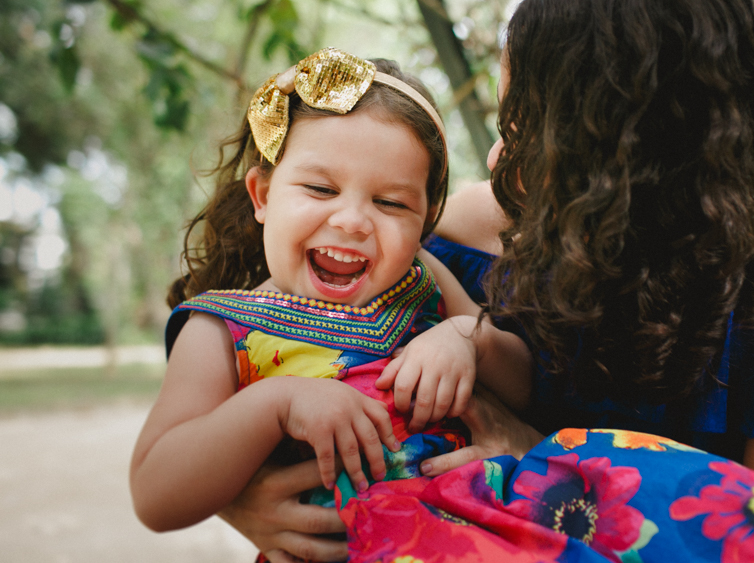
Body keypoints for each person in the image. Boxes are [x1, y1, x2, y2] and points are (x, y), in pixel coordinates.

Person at [218, 0, 754, 560]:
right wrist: (243, 497)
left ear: (631, 155)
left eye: (529, 128)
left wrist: (538, 461)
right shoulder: (441, 235)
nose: (494, 154)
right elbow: (258, 357)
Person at [129, 47, 532, 540]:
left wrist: (469, 338)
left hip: (489, 534)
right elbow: (155, 494)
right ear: (262, 195)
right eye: (321, 190)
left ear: (425, 221)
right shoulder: (218, 329)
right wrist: (277, 404)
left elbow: (523, 383)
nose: (352, 220)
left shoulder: (423, 277)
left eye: (390, 202)